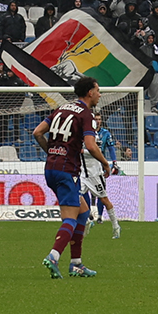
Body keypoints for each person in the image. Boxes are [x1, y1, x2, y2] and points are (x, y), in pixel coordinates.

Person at [41, 77, 112, 279]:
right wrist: (105, 163)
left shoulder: (61, 109)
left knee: (83, 211)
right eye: (98, 90)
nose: (100, 94)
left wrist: (52, 153)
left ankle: (76, 264)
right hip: (67, 170)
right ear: (89, 92)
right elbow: (90, 145)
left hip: (51, 168)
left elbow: (38, 132)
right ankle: (54, 256)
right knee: (70, 216)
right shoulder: (87, 115)